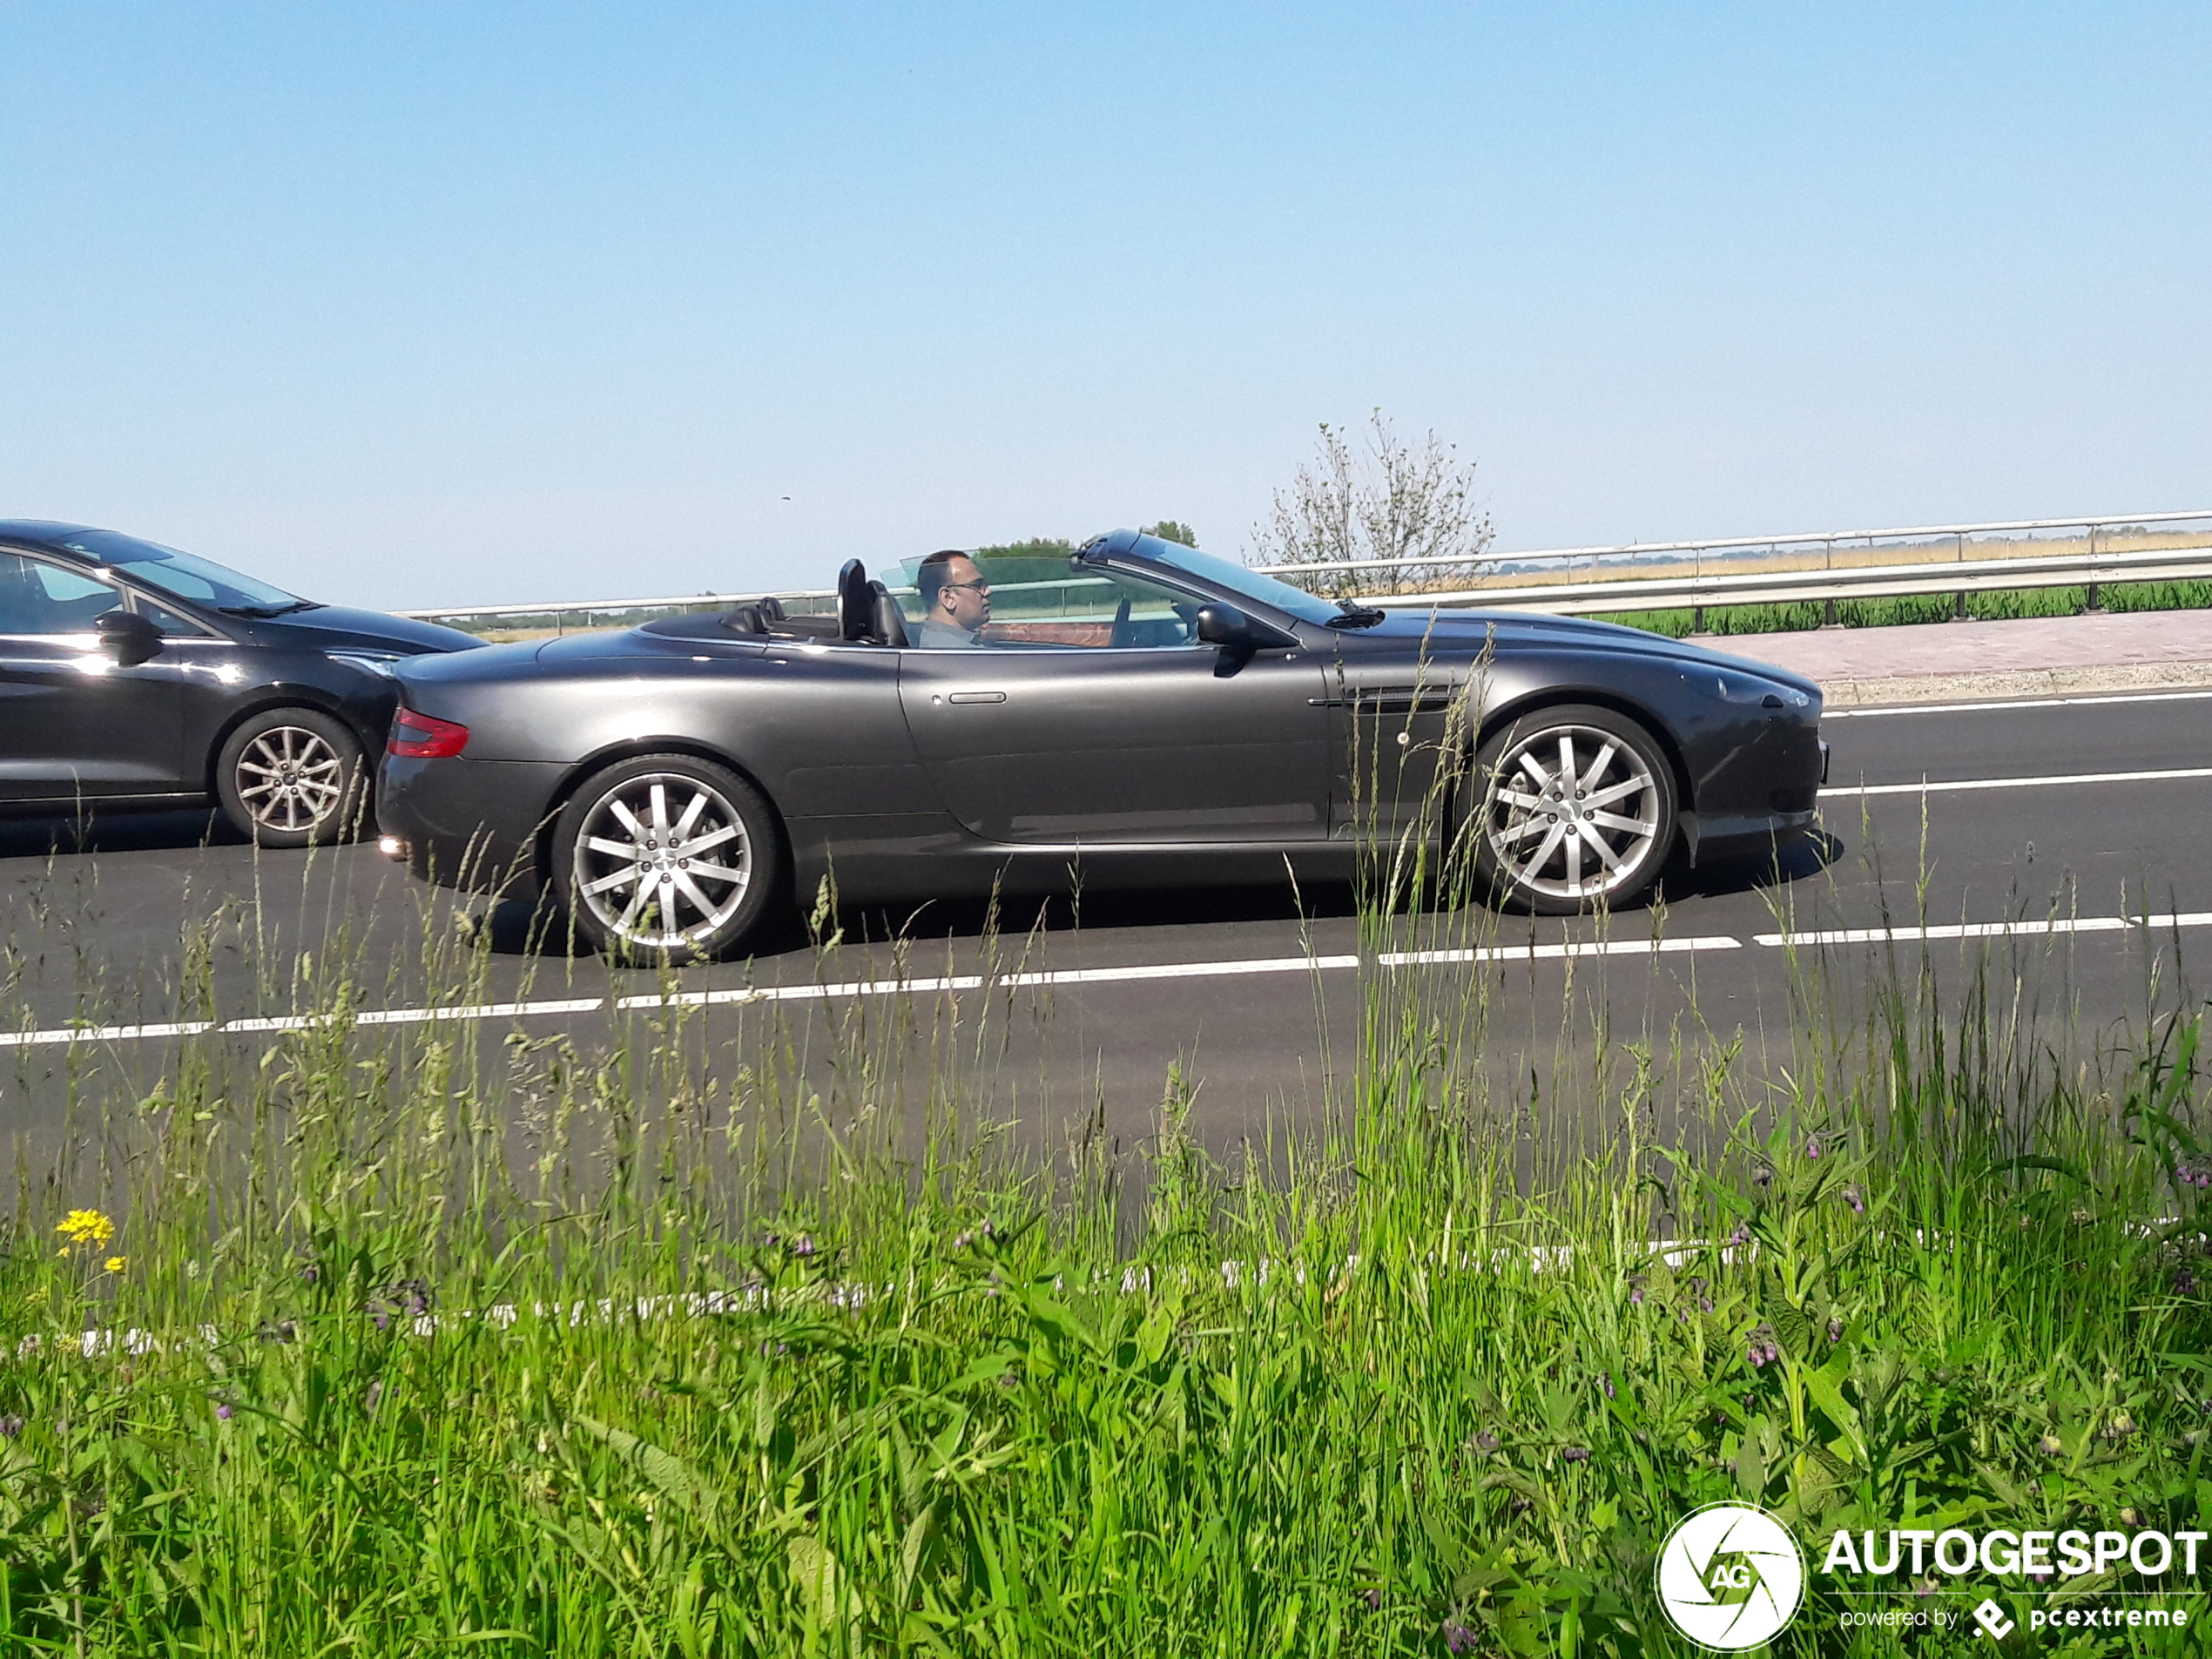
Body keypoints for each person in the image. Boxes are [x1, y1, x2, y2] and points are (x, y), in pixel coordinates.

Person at [914, 549, 993, 647]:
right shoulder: (961, 654)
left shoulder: (928, 641)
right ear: (948, 598)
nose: (988, 591)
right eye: (977, 585)